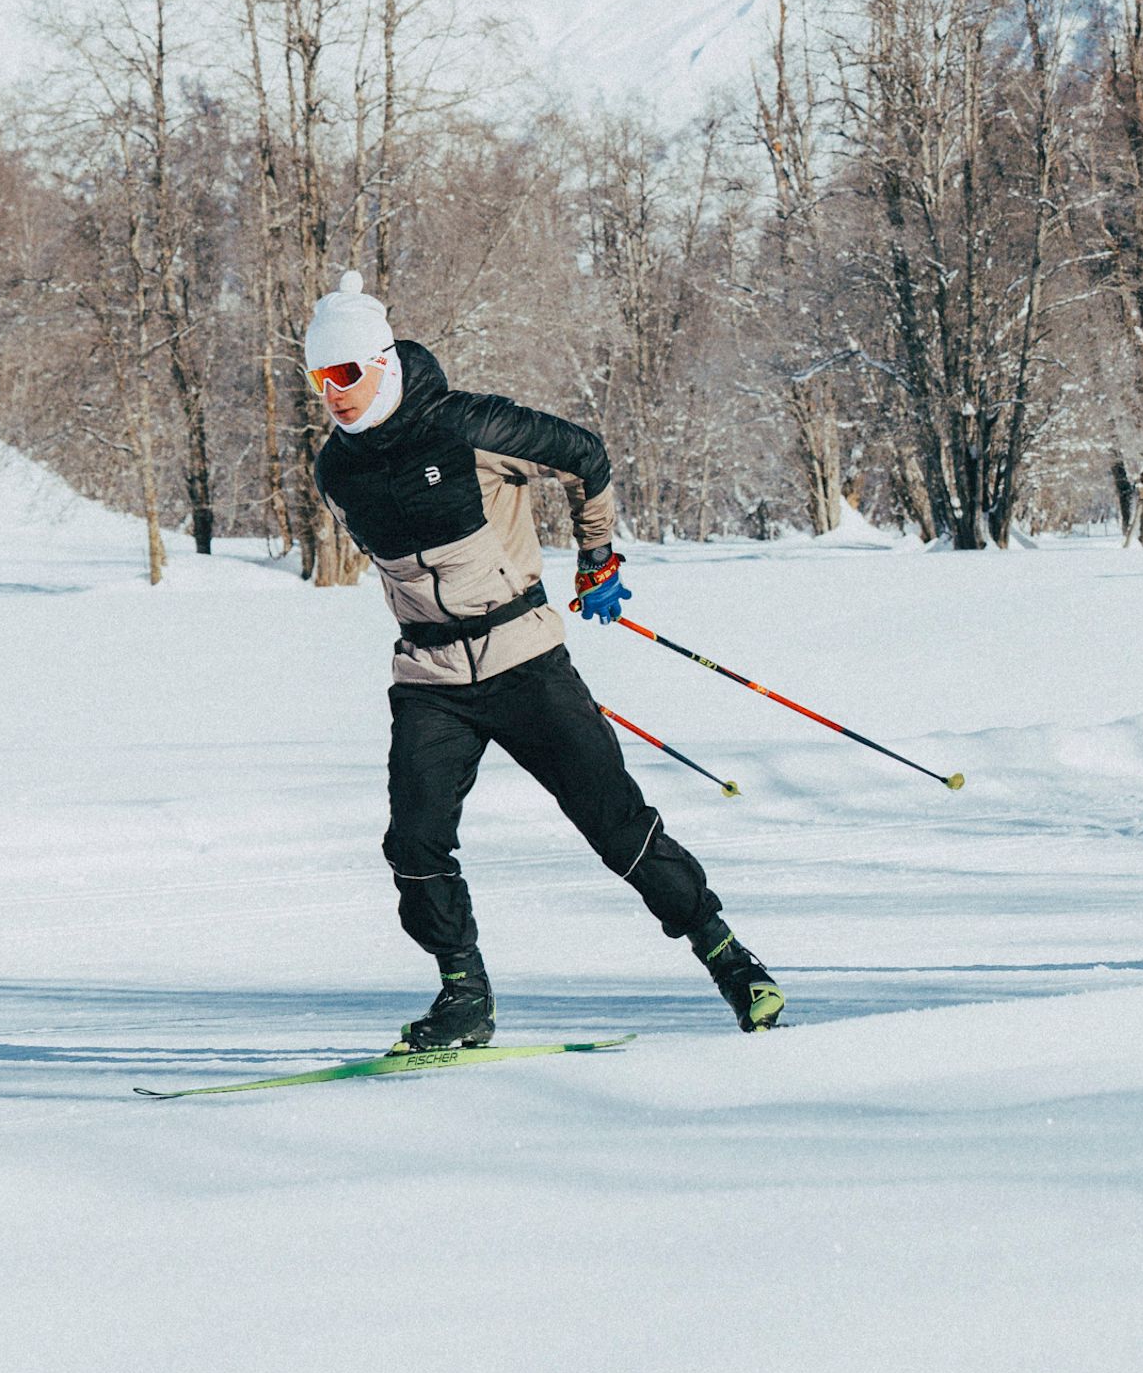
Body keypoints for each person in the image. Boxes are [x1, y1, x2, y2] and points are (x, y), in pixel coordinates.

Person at [300, 270, 785, 1047]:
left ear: (384, 364)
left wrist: (598, 560)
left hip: (525, 663)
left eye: (347, 372)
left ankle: (730, 960)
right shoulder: (337, 470)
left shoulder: (466, 426)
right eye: (319, 376)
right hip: (430, 679)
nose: (333, 391)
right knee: (414, 843)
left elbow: (586, 457)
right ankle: (464, 998)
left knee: (615, 826)